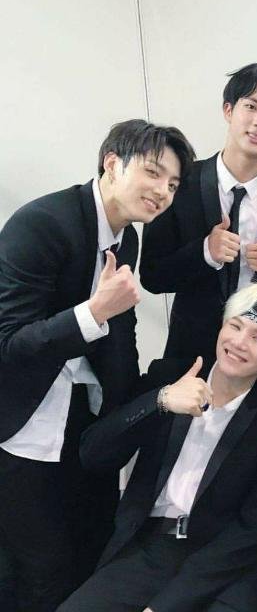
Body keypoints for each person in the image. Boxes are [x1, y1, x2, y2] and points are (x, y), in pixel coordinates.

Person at [0, 119, 195, 611]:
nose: (163, 192)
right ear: (112, 163)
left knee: (91, 550)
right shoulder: (42, 224)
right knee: (39, 570)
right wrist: (92, 313)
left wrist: (136, 412)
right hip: (24, 423)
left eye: (173, 185)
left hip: (84, 421)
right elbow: (9, 344)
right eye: (153, 173)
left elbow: (121, 338)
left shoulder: (127, 239)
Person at [59, 283, 257, 612]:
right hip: (150, 548)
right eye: (235, 326)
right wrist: (159, 401)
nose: (239, 342)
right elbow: (93, 454)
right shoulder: (170, 375)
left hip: (228, 565)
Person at [140, 63, 257, 388]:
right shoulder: (180, 185)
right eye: (251, 106)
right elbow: (151, 276)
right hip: (189, 357)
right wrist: (204, 252)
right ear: (228, 110)